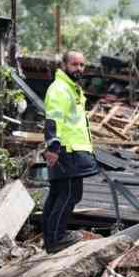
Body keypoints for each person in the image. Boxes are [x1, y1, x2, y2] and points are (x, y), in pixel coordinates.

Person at [42, 51, 98, 253]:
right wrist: (53, 147)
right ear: (64, 64)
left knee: (58, 193)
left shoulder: (70, 89)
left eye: (82, 65)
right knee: (70, 194)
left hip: (69, 149)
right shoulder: (60, 89)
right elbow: (53, 119)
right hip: (66, 150)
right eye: (75, 64)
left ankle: (50, 240)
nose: (79, 69)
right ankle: (57, 238)